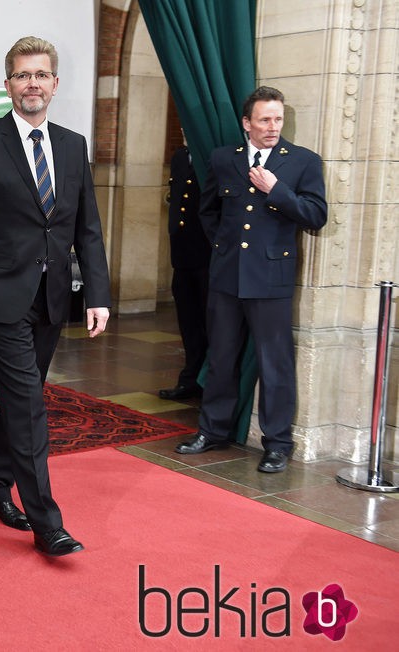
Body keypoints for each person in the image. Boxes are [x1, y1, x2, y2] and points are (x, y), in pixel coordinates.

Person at [0, 36, 112, 556]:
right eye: (22, 75)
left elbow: (88, 228)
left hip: (52, 297)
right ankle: (46, 522)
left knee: (21, 399)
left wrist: (98, 295)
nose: (32, 83)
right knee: (30, 405)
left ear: (55, 83)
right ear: (8, 84)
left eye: (40, 75)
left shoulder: (71, 144)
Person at [175, 86, 328, 473]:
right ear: (247, 123)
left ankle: (277, 443)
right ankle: (213, 431)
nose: (273, 126)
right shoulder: (225, 158)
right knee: (222, 356)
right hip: (227, 276)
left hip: (271, 279)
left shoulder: (303, 162)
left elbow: (315, 215)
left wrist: (276, 190)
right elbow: (207, 210)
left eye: (278, 119)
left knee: (274, 363)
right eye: (264, 119)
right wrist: (224, 248)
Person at [158, 137, 209, 400]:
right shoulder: (180, 157)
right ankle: (190, 378)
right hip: (182, 254)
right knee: (188, 322)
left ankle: (208, 382)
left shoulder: (213, 155)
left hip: (208, 255)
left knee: (208, 322)